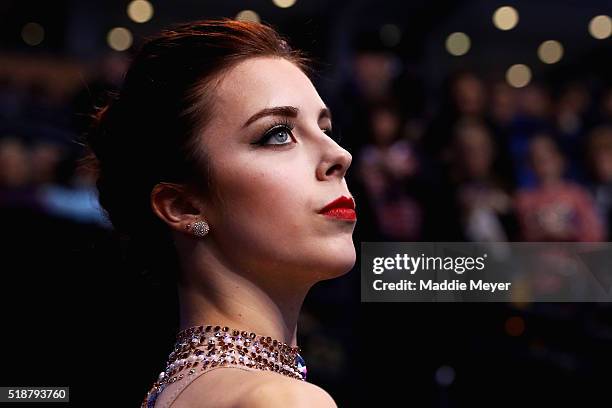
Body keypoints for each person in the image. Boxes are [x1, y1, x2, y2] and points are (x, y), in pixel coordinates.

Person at [81, 19, 356, 407]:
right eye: (278, 134)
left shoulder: (177, 393)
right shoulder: (279, 399)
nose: (339, 156)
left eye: (326, 129)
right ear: (183, 206)